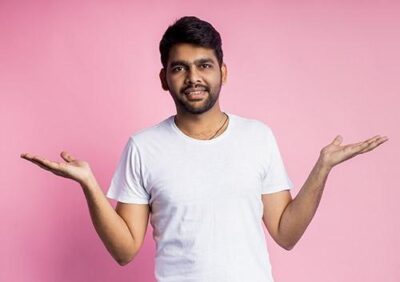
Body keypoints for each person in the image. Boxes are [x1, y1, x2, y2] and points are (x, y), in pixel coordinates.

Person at [20, 16, 388, 282]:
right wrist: (89, 184)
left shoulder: (258, 137)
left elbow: (285, 233)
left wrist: (322, 168)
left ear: (222, 73)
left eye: (204, 65)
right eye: (179, 67)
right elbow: (125, 250)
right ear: (164, 78)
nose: (193, 77)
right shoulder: (143, 147)